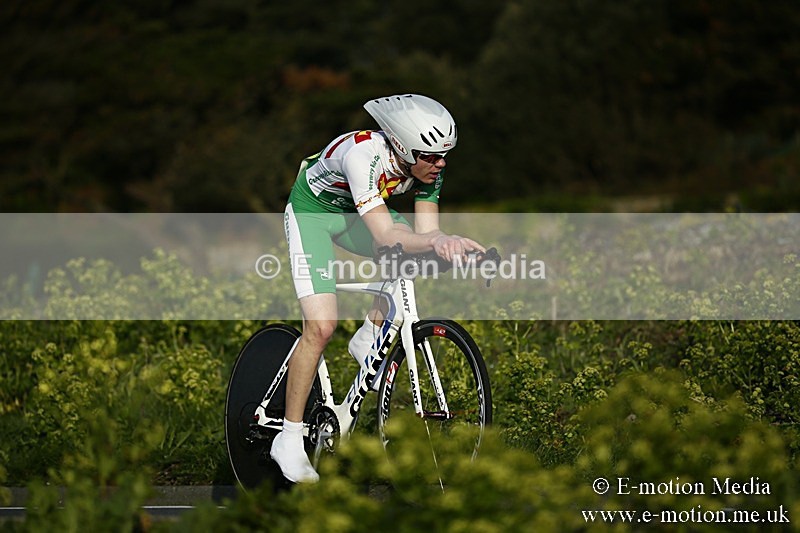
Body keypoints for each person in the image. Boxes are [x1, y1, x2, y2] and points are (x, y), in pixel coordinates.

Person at [271, 94, 485, 483]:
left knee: (414, 255)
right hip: (312, 214)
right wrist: (437, 241)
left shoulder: (428, 167)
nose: (440, 164)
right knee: (321, 327)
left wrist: (452, 247)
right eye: (431, 156)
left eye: (444, 156)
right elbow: (386, 235)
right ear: (402, 147)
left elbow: (426, 234)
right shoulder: (362, 156)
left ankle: (370, 333)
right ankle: (288, 438)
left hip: (355, 214)